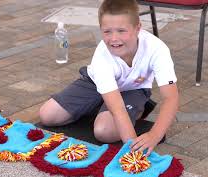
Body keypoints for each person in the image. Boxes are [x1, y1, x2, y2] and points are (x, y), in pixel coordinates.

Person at [39, 0, 179, 156]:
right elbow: (117, 108)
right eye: (107, 32)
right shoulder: (102, 56)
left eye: (121, 30)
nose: (114, 38)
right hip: (94, 83)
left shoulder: (157, 49)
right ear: (100, 30)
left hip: (133, 89)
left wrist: (153, 136)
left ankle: (136, 109)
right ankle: (101, 105)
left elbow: (171, 98)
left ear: (138, 28)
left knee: (103, 132)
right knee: (48, 115)